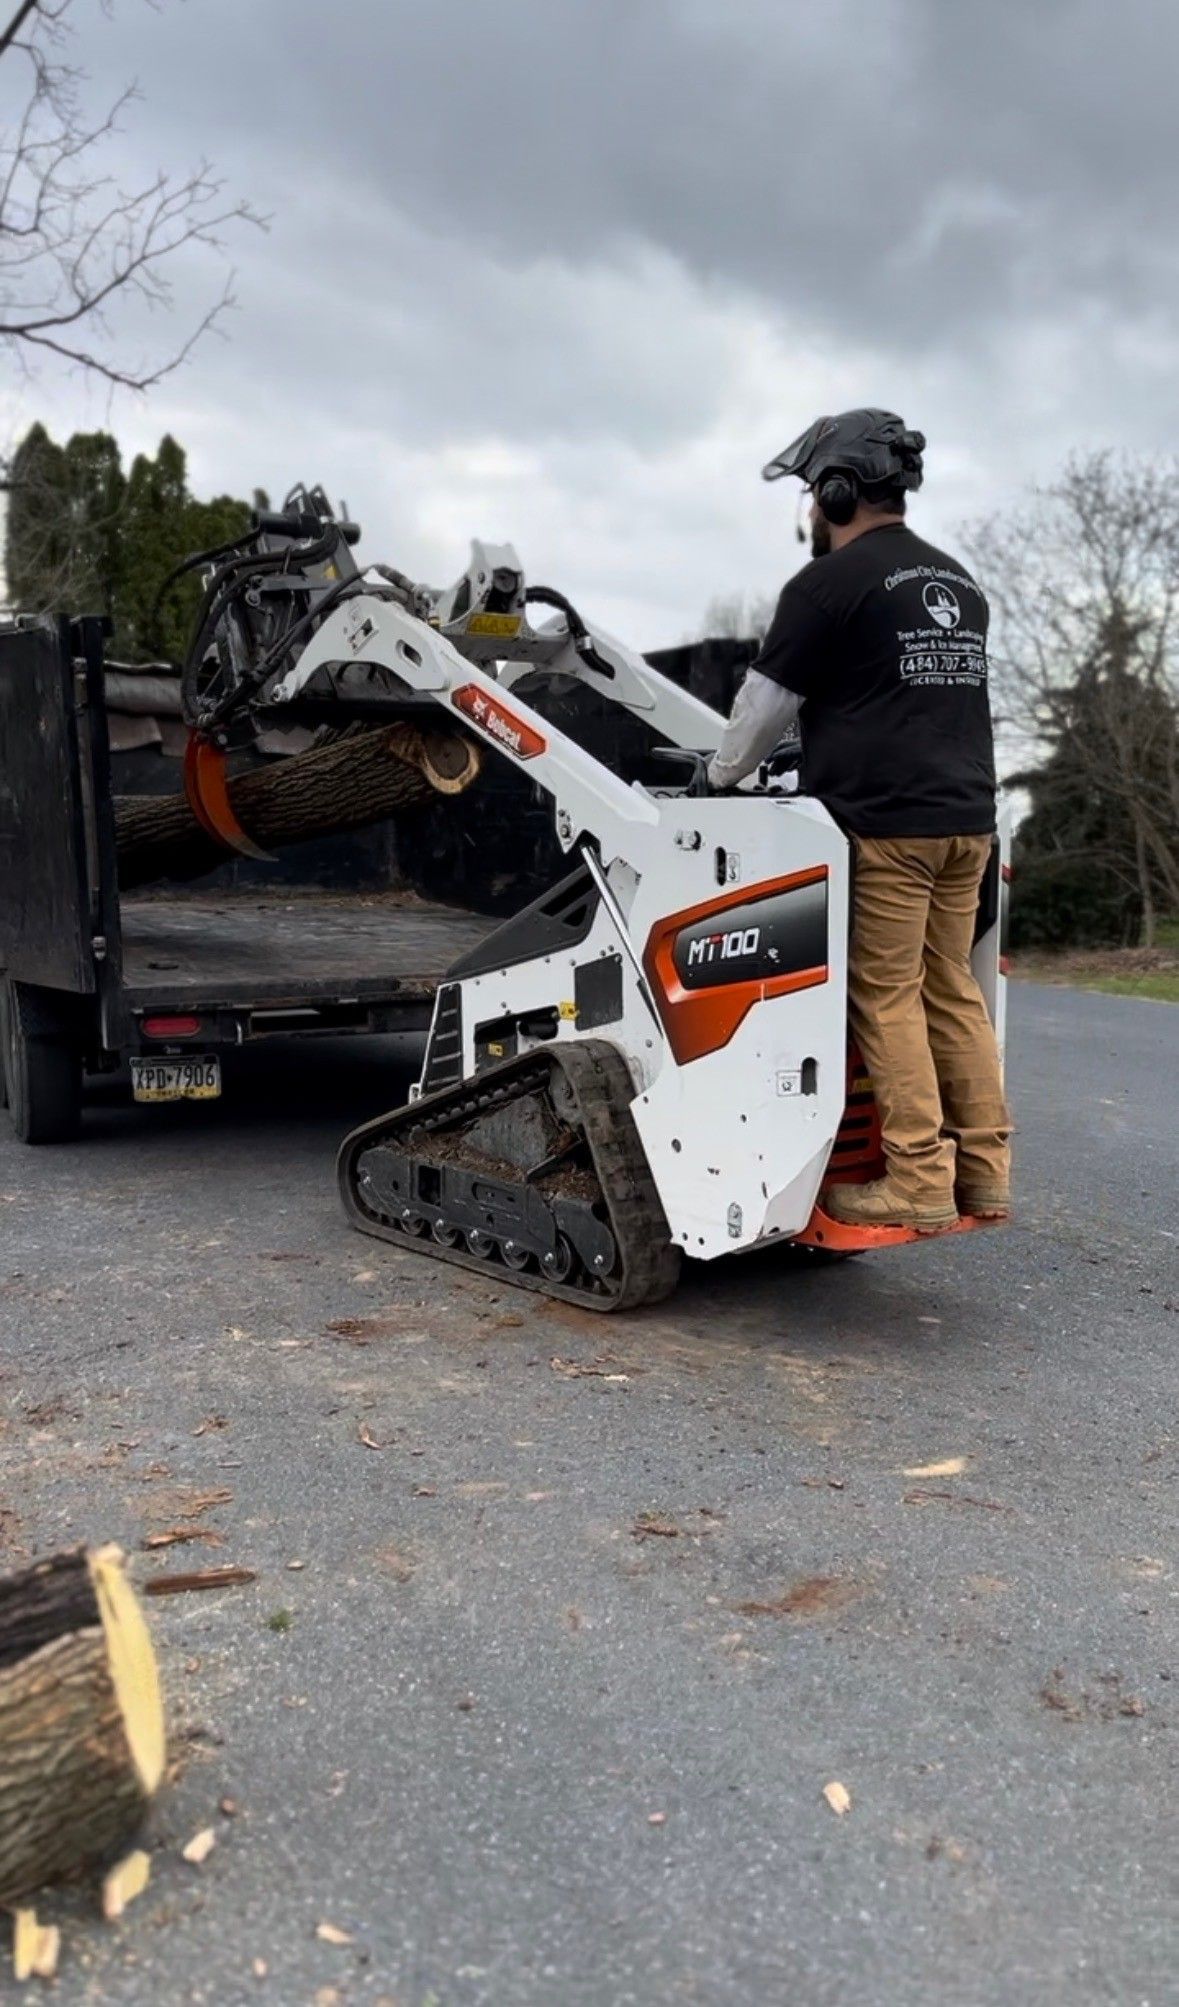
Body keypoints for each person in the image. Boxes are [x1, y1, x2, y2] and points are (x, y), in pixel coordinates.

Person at [707, 409, 1011, 1232]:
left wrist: (718, 774)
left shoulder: (826, 585)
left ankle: (916, 1178)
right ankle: (982, 1171)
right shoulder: (958, 583)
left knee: (886, 993)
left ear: (837, 490)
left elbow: (762, 710)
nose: (810, 508)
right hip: (966, 823)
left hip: (885, 827)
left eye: (813, 491)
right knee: (950, 989)